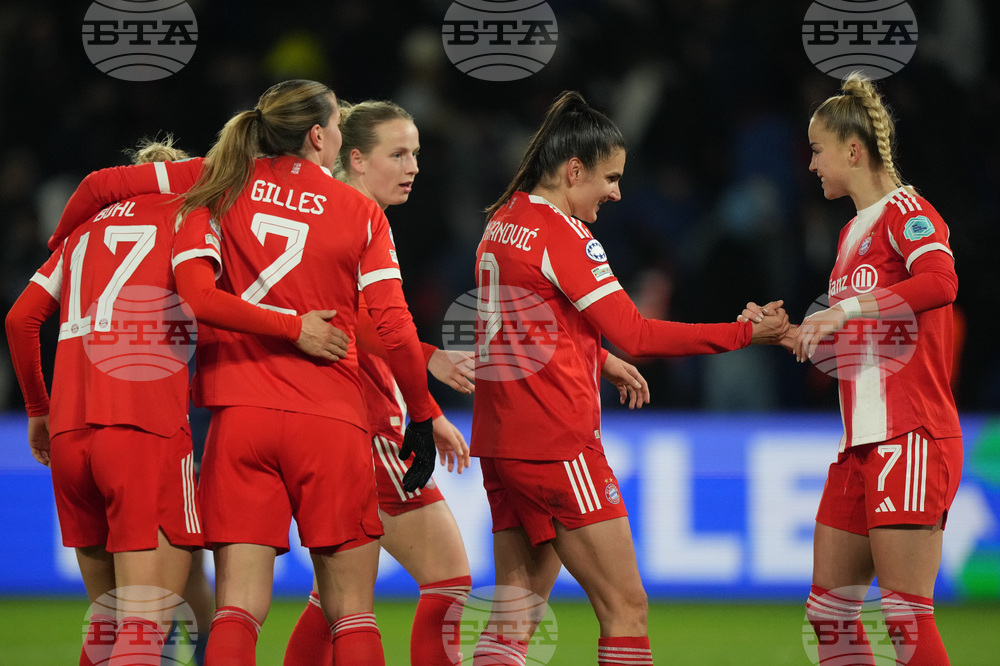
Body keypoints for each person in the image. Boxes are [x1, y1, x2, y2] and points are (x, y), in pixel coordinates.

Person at [469, 90, 788, 666]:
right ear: (574, 170)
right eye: (610, 177)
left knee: (513, 620)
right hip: (557, 445)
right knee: (627, 610)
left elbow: (522, 329)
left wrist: (597, 356)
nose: (616, 191)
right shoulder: (564, 236)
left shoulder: (503, 221)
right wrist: (746, 335)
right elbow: (639, 334)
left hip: (500, 443)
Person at [4, 135, 348, 666]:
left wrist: (37, 410)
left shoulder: (78, 237)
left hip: (71, 438)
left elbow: (19, 319)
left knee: (104, 625)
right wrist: (291, 327)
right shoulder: (188, 217)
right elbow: (204, 300)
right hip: (145, 432)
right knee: (145, 626)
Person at [749, 72, 961, 665]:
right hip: (858, 446)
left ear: (853, 149)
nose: (811, 164)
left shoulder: (909, 212)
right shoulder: (848, 236)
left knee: (903, 619)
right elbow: (855, 340)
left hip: (910, 435)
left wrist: (847, 306)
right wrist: (787, 332)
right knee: (830, 616)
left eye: (817, 150)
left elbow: (942, 283)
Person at [282, 99, 473, 666]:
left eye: (416, 153)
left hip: (325, 412)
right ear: (357, 158)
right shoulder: (355, 216)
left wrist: (426, 403)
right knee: (447, 579)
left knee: (335, 597)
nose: (413, 166)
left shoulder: (319, 209)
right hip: (363, 419)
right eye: (399, 154)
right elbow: (360, 321)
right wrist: (429, 364)